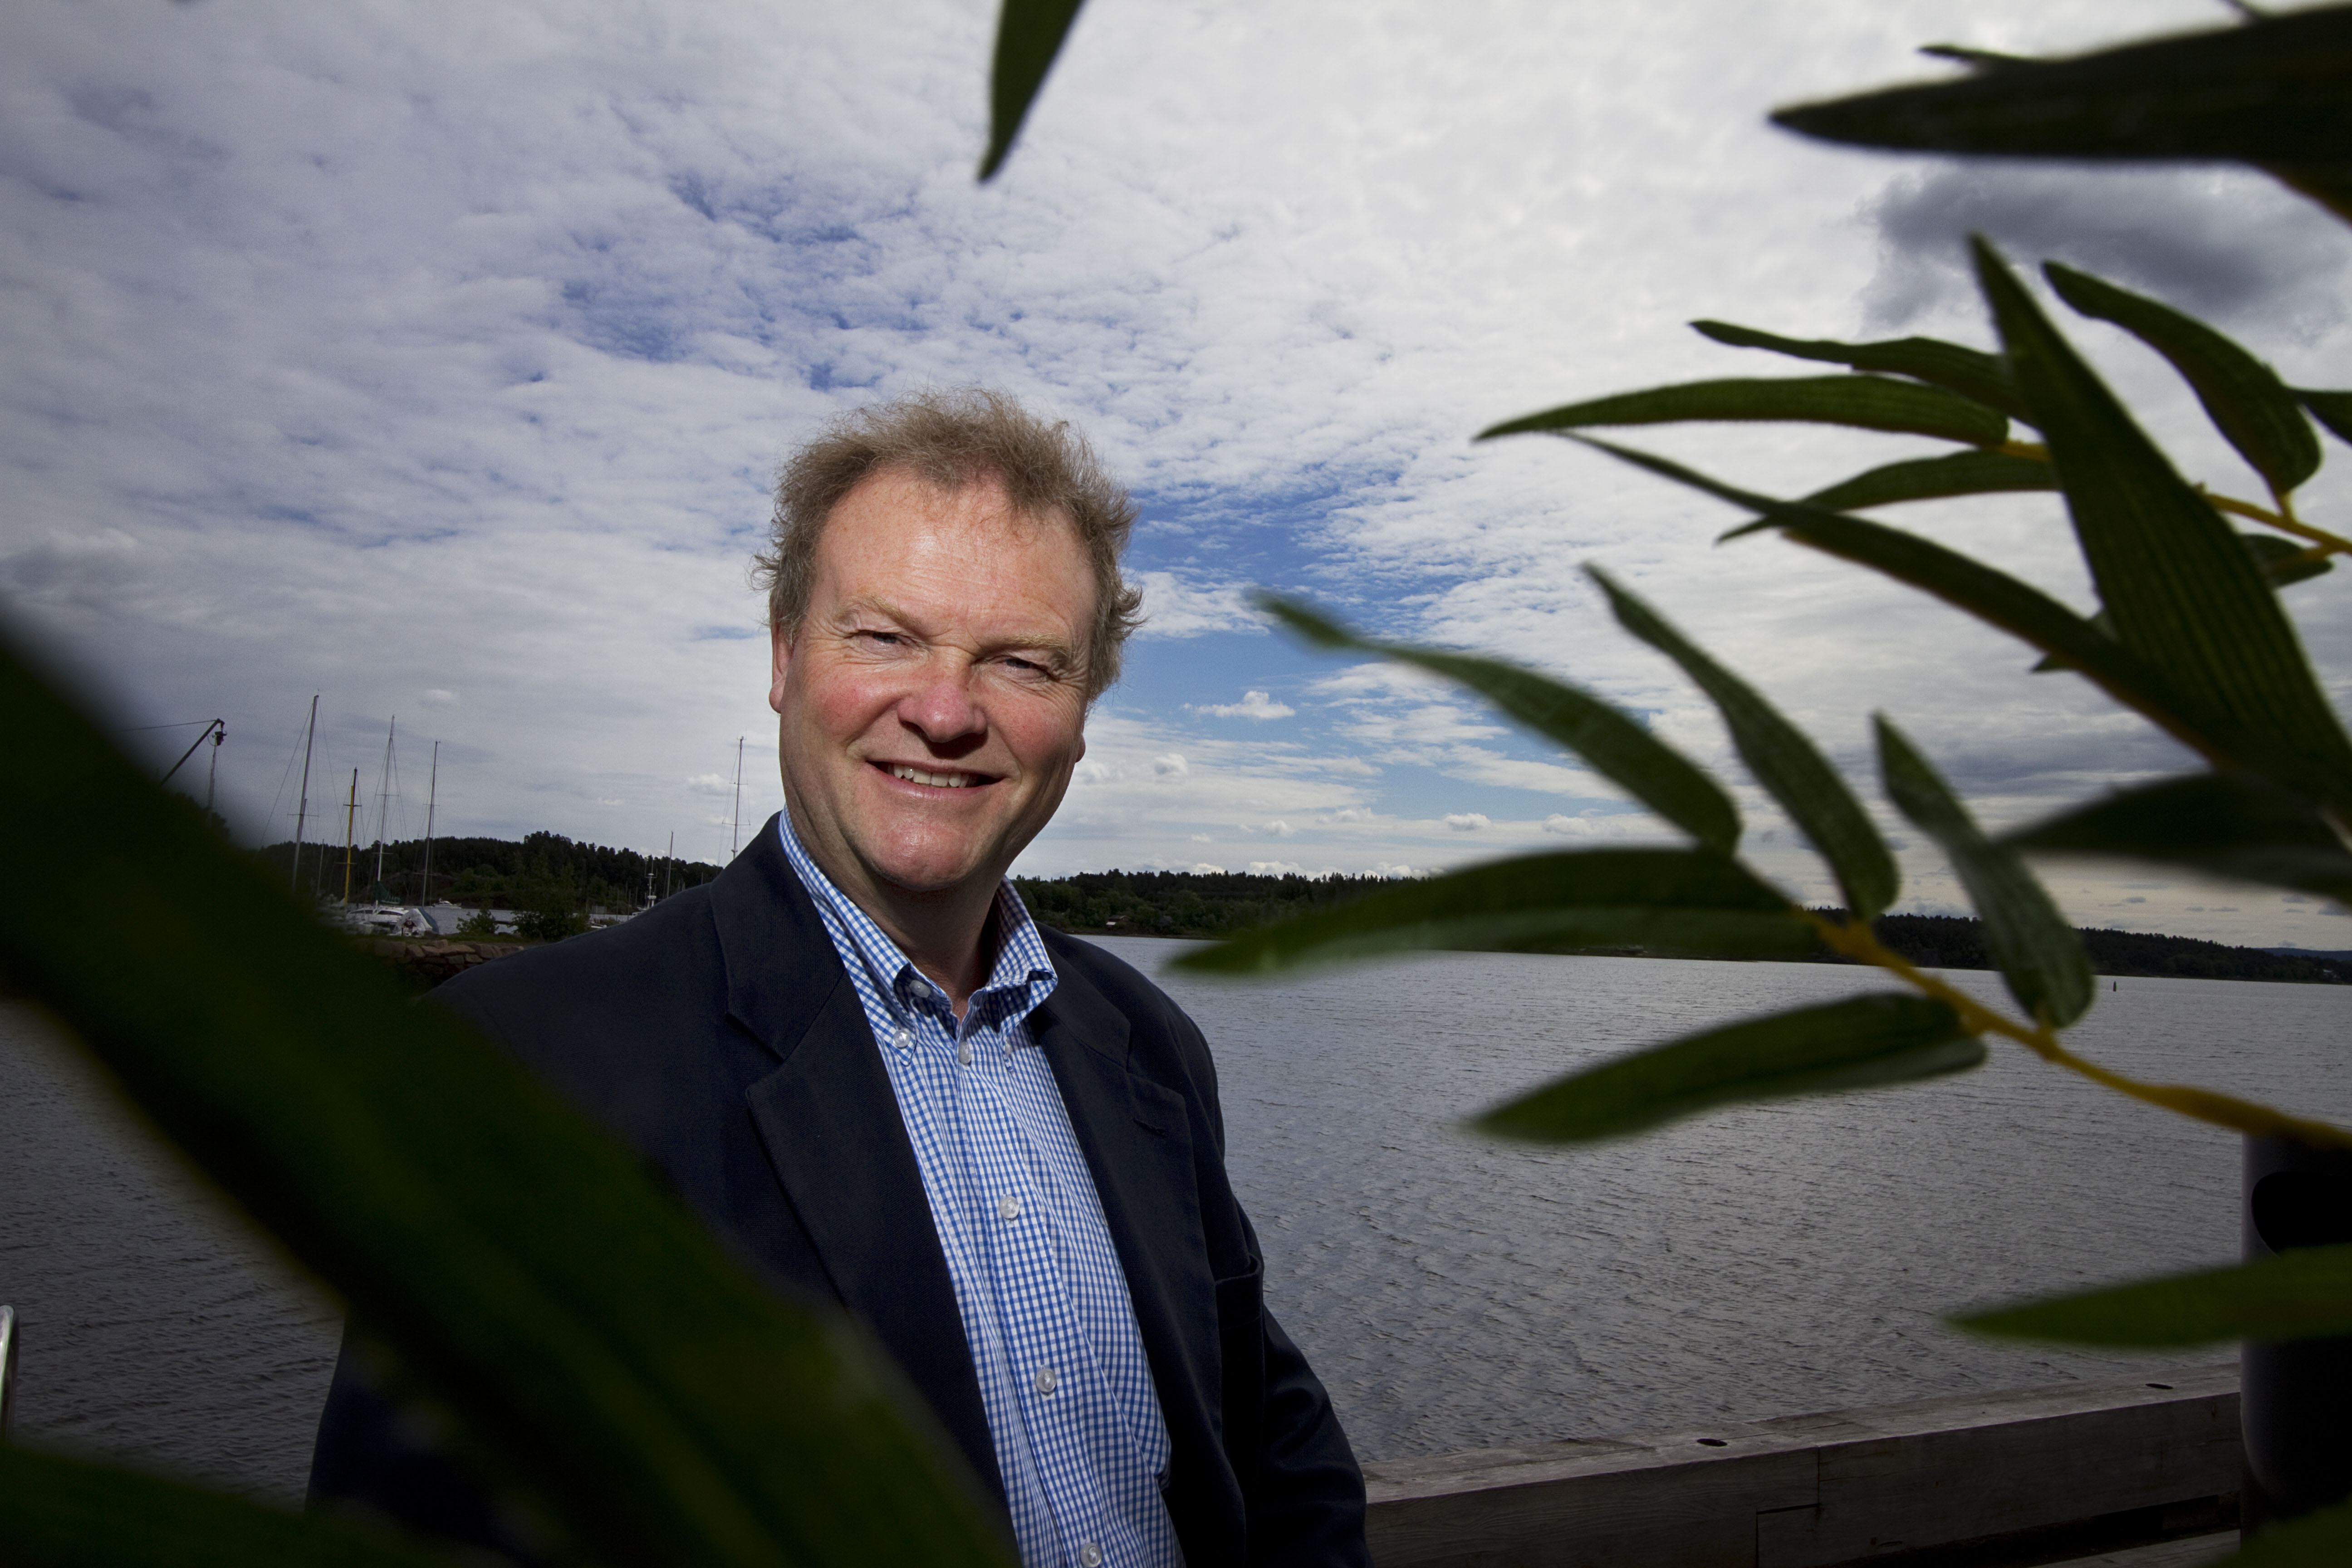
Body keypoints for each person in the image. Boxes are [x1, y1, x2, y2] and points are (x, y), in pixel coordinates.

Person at [308, 389, 1369, 1567]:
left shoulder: (1149, 1041)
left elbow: (1276, 1442)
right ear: (783, 656)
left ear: (1082, 714)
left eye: (1022, 662)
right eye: (884, 637)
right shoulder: (522, 1066)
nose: (946, 711)